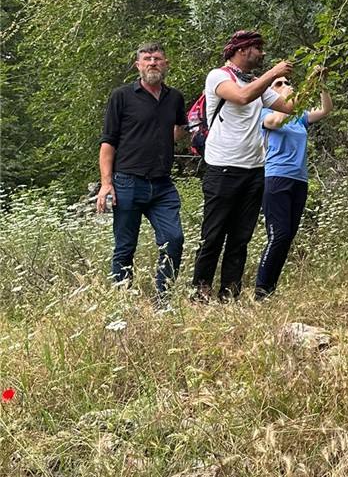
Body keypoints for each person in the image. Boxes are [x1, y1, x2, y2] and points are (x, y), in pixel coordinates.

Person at [191, 30, 294, 301]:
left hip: (255, 170)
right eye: (258, 48)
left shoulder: (256, 85)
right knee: (213, 234)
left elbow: (290, 107)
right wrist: (273, 73)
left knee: (240, 237)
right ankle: (200, 291)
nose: (262, 53)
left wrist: (315, 85)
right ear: (242, 50)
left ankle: (230, 293)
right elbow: (241, 97)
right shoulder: (219, 76)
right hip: (223, 167)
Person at [98, 43, 188, 300]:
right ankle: (122, 304)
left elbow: (180, 128)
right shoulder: (122, 96)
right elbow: (108, 142)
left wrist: (164, 139)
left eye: (157, 59)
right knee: (125, 247)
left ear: (166, 64)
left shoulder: (174, 98)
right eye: (147, 59)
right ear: (138, 65)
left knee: (174, 239)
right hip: (127, 181)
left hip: (162, 184)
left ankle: (164, 301)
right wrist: (106, 184)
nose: (152, 63)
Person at [254, 68, 332, 299]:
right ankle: (261, 287)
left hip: (299, 179)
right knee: (278, 234)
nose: (287, 85)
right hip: (276, 177)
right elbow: (277, 121)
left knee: (288, 235)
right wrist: (297, 91)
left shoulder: (299, 115)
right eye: (279, 83)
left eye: (288, 82)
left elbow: (326, 109)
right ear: (269, 92)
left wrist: (321, 84)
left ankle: (270, 288)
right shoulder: (264, 113)